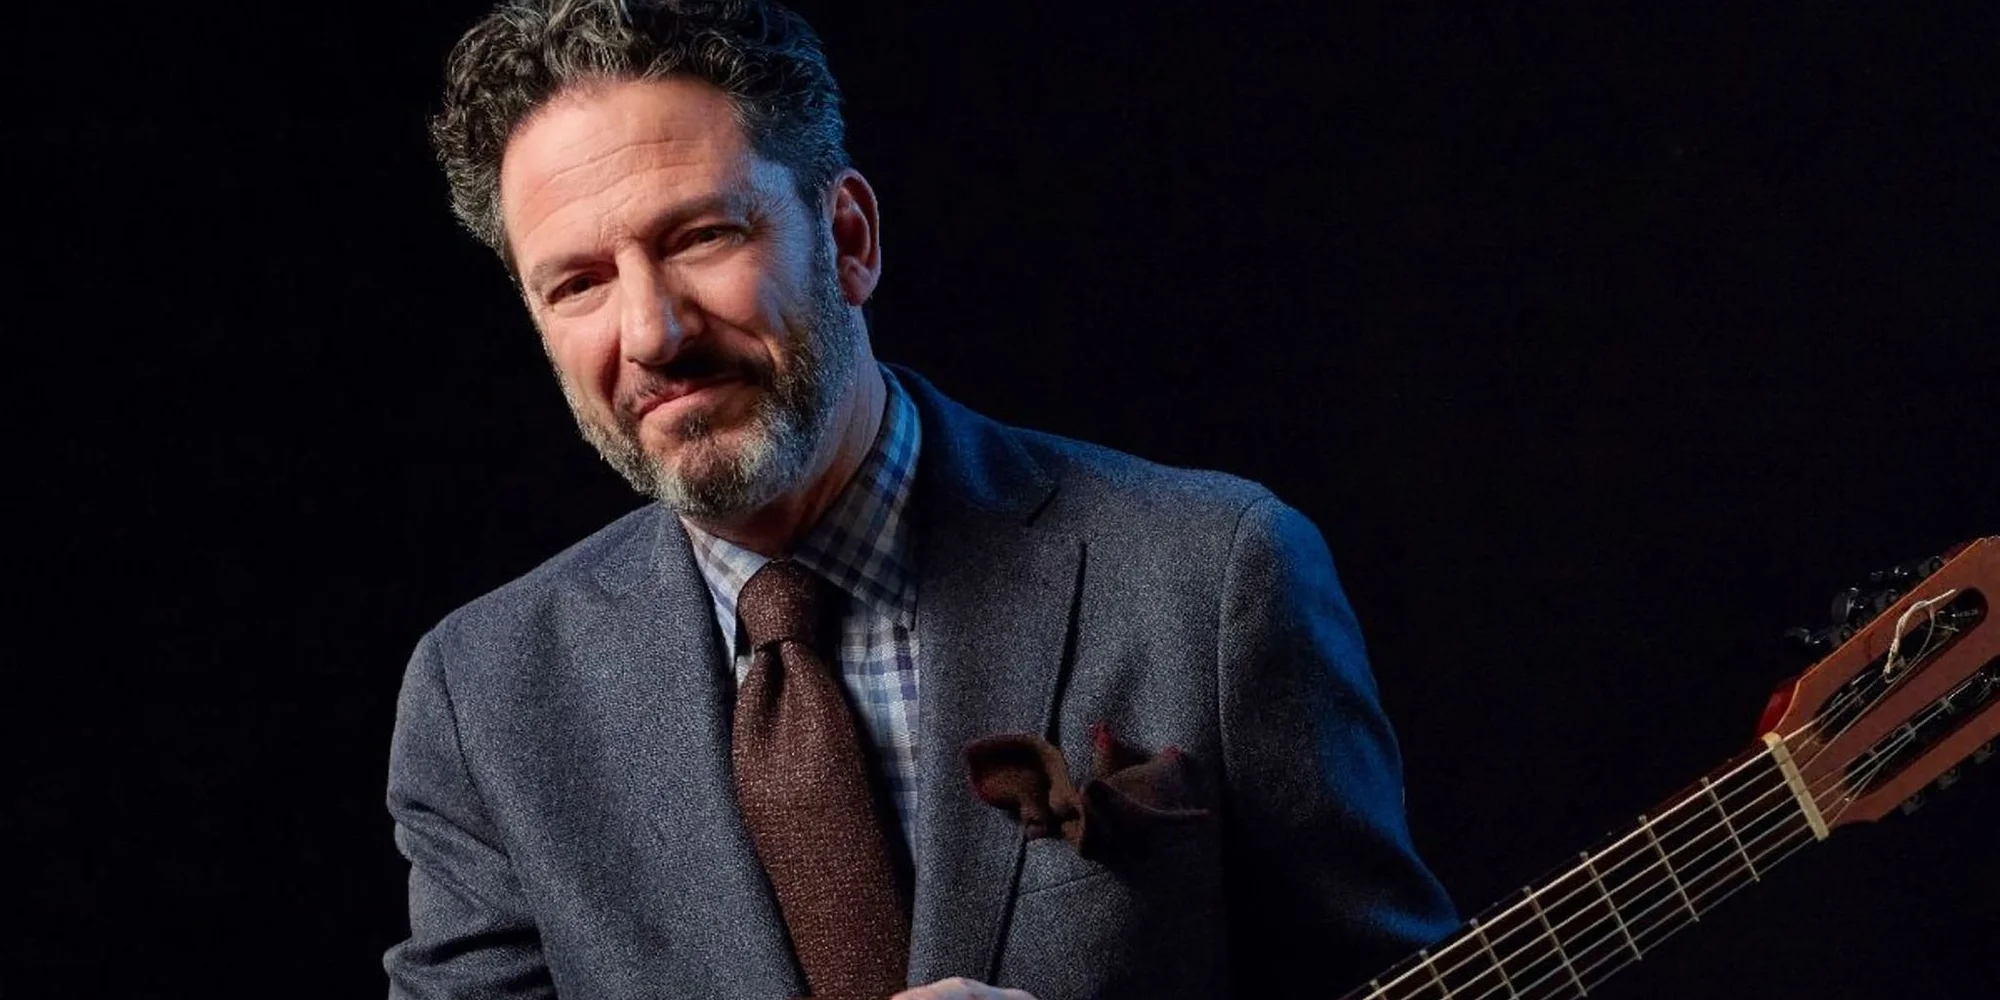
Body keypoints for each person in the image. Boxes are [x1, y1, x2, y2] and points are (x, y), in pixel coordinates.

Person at [386, 1, 1458, 997]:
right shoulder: (482, 700)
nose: (652, 332)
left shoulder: (1213, 573)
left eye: (701, 236)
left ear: (849, 238)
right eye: (577, 283)